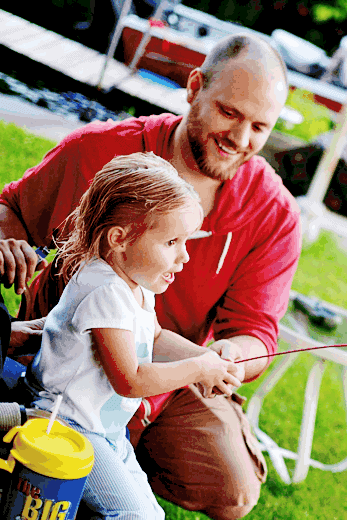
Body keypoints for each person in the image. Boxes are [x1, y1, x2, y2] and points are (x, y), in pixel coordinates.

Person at [0, 32, 301, 520]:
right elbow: (11, 207)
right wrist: (7, 241)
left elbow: (257, 332)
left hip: (166, 369)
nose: (241, 139)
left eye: (260, 127)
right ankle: (50, 442)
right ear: (194, 86)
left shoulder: (273, 211)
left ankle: (110, 460)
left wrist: (228, 356)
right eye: (229, 113)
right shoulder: (101, 150)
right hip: (68, 369)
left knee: (234, 490)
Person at [28, 152, 243, 520]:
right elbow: (130, 380)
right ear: (120, 239)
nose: (185, 257)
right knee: (134, 516)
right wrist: (197, 369)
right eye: (172, 242)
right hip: (67, 424)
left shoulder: (135, 285)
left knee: (149, 516)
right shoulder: (105, 291)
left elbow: (155, 338)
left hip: (103, 428)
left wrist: (211, 362)